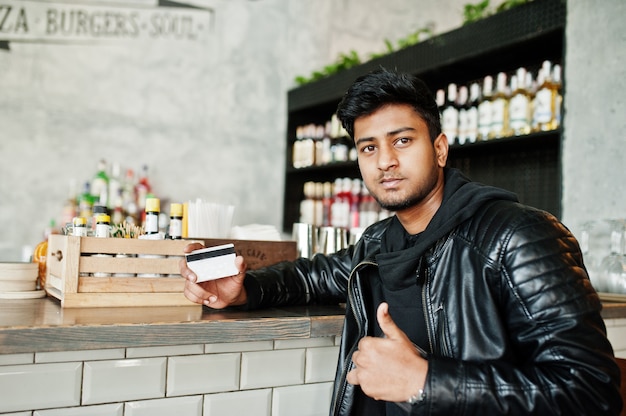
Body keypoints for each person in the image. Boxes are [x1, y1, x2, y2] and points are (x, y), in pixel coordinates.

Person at [180, 68, 622, 415]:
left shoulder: (516, 236)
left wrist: (427, 382)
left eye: (403, 140)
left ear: (441, 149)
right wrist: (246, 290)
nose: (385, 161)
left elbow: (590, 390)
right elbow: (315, 276)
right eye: (368, 148)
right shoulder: (381, 241)